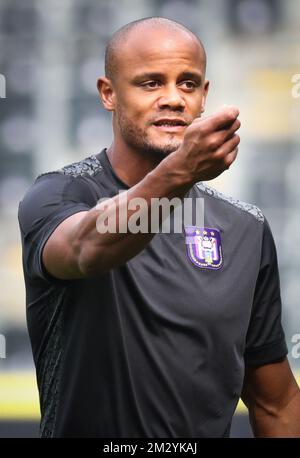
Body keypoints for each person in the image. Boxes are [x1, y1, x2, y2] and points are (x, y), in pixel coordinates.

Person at [18, 17, 300, 438]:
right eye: (150, 83)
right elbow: (87, 249)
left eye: (188, 84)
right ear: (108, 94)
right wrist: (179, 171)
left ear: (205, 96)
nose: (173, 98)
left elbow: (275, 402)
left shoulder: (246, 228)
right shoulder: (58, 196)